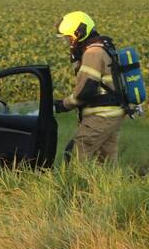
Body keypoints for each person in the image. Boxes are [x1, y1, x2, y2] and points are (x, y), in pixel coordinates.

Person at [53, 11, 126, 164]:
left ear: (78, 33)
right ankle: (110, 187)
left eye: (68, 37)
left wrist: (64, 104)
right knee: (105, 162)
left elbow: (86, 90)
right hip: (113, 113)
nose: (67, 42)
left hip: (101, 115)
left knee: (75, 153)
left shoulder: (92, 53)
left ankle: (75, 187)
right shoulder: (102, 47)